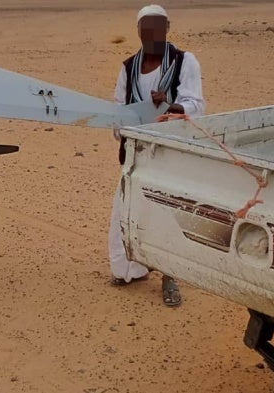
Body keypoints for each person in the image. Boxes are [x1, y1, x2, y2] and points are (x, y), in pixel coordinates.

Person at [108, 4, 205, 307]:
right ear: (138, 32)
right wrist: (125, 129)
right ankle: (131, 269)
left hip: (171, 153)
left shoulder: (184, 62)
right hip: (139, 153)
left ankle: (169, 275)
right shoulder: (127, 67)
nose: (151, 36)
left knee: (166, 213)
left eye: (157, 29)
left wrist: (170, 106)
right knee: (128, 209)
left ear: (167, 29)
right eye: (145, 30)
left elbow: (197, 105)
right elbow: (118, 111)